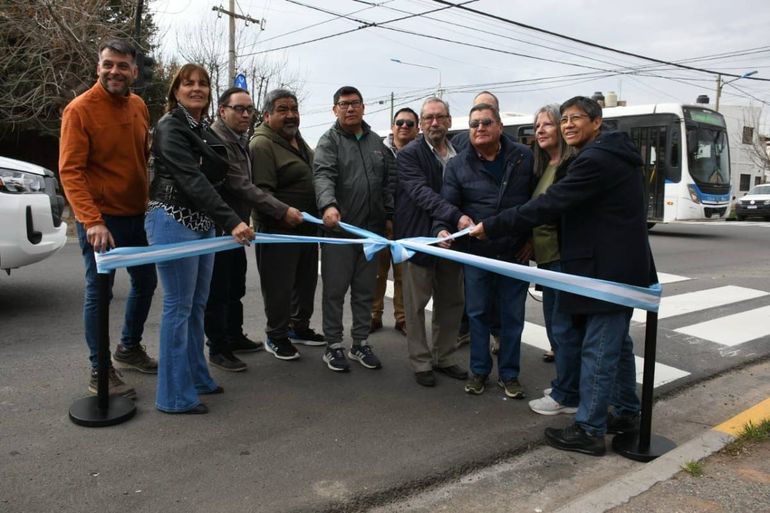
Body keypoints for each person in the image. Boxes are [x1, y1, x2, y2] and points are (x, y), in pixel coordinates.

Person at [470, 96, 654, 456]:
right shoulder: (612, 154)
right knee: (617, 346)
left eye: (576, 119)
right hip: (613, 266)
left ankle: (589, 429)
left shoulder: (597, 161)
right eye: (564, 119)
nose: (568, 125)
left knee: (598, 348)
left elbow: (548, 205)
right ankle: (627, 412)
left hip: (606, 270)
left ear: (597, 122)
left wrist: (491, 226)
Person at [145, 63, 254, 414]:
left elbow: (216, 178)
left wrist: (221, 218)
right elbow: (192, 180)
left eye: (203, 83)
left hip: (201, 221)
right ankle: (173, 395)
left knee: (196, 305)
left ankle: (196, 375)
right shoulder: (169, 126)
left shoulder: (200, 127)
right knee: (178, 307)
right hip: (172, 218)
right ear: (175, 90)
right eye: (188, 83)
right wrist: (232, 221)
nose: (196, 89)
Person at [59, 38, 158, 399]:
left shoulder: (138, 105)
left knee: (146, 283)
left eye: (122, 65)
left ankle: (129, 348)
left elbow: (143, 156)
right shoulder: (79, 110)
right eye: (108, 64)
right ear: (98, 67)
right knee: (99, 294)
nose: (114, 71)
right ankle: (100, 367)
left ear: (134, 70)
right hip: (102, 222)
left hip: (137, 216)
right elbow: (70, 171)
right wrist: (92, 221)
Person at [437, 103, 535, 399]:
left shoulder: (523, 157)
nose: (479, 128)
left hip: (513, 252)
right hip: (477, 253)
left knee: (512, 317)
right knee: (477, 314)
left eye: (486, 122)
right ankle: (479, 372)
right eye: (474, 124)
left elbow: (536, 202)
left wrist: (530, 238)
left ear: (500, 126)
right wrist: (445, 226)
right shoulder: (458, 164)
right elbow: (449, 205)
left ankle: (510, 375)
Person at [204, 87, 298, 372]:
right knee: (218, 290)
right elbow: (241, 185)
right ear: (222, 111)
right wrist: (282, 209)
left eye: (249, 110)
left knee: (235, 285)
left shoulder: (239, 138)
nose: (246, 114)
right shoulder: (217, 139)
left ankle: (234, 335)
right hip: (222, 228)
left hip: (238, 228)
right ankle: (218, 347)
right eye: (239, 109)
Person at [313, 86, 394, 372]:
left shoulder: (376, 142)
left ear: (364, 106)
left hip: (370, 234)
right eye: (344, 104)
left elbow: (388, 182)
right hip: (339, 233)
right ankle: (333, 346)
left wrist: (389, 216)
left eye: (355, 103)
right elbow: (323, 175)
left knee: (365, 290)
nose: (350, 108)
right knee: (335, 292)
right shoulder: (329, 141)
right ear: (334, 109)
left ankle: (360, 343)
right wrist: (328, 205)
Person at [396, 97, 472, 387]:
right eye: (428, 118)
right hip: (419, 238)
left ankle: (445, 357)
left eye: (440, 117)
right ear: (421, 124)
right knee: (416, 305)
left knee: (451, 301)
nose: (434, 123)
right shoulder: (409, 155)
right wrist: (456, 216)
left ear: (450, 121)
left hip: (454, 240)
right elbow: (421, 193)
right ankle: (421, 361)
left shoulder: (460, 153)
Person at [250, 88, 324, 361]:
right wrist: (284, 213)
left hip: (305, 229)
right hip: (277, 230)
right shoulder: (262, 145)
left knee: (305, 284)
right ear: (268, 115)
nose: (291, 115)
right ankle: (276, 335)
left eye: (294, 109)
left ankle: (298, 328)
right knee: (278, 287)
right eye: (283, 110)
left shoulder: (297, 140)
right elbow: (260, 193)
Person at [525, 104, 580, 416]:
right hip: (547, 261)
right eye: (537, 126)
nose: (541, 131)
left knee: (562, 329)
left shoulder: (569, 168)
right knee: (557, 329)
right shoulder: (547, 165)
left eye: (547, 124)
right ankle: (567, 384)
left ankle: (567, 394)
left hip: (562, 260)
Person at [370, 107, 419, 337]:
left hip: (407, 224)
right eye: (399, 122)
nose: (404, 127)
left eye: (410, 123)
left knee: (403, 276)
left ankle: (402, 319)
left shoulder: (421, 153)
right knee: (377, 274)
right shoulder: (378, 150)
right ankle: (373, 316)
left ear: (417, 129)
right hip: (379, 223)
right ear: (392, 127)